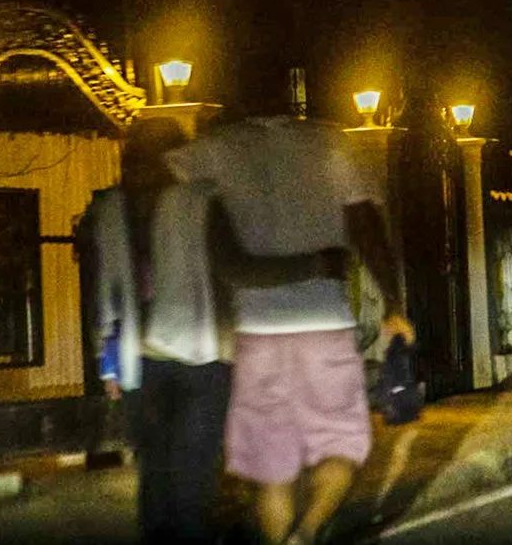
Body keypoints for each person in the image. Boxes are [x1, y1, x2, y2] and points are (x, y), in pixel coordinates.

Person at [90, 117, 348, 544]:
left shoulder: (110, 209)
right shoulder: (199, 202)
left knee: (156, 476)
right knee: (192, 477)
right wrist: (316, 264)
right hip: (202, 355)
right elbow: (238, 269)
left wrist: (107, 362)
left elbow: (102, 291)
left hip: (138, 360)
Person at [165, 114, 415, 545]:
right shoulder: (332, 144)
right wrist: (393, 303)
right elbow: (367, 229)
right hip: (324, 324)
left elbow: (171, 177)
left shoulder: (218, 147)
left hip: (257, 329)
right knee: (340, 446)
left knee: (271, 469)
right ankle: (307, 533)